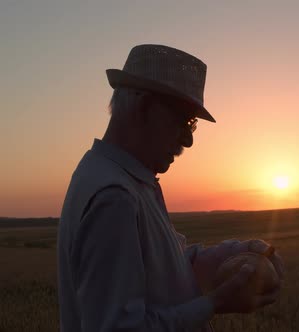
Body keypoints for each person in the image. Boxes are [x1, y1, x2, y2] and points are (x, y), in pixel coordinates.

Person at [57, 44, 285, 332]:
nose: (188, 140)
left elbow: (171, 267)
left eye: (192, 125)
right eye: (183, 120)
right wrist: (213, 304)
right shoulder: (114, 197)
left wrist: (243, 251)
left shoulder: (124, 180)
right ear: (141, 106)